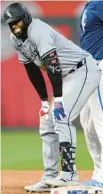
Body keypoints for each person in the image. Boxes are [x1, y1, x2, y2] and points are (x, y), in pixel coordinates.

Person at [3, 2, 101, 192]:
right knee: (47, 120)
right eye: (11, 24)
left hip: (84, 70)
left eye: (18, 22)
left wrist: (57, 100)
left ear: (26, 18)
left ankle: (69, 174)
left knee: (60, 115)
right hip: (68, 76)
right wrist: (43, 102)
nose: (15, 27)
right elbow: (32, 71)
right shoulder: (16, 39)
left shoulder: (38, 30)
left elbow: (53, 65)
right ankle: (49, 177)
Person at [80, 0, 103, 187]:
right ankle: (98, 173)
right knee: (87, 123)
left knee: (100, 122)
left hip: (100, 68)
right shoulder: (91, 5)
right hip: (88, 70)